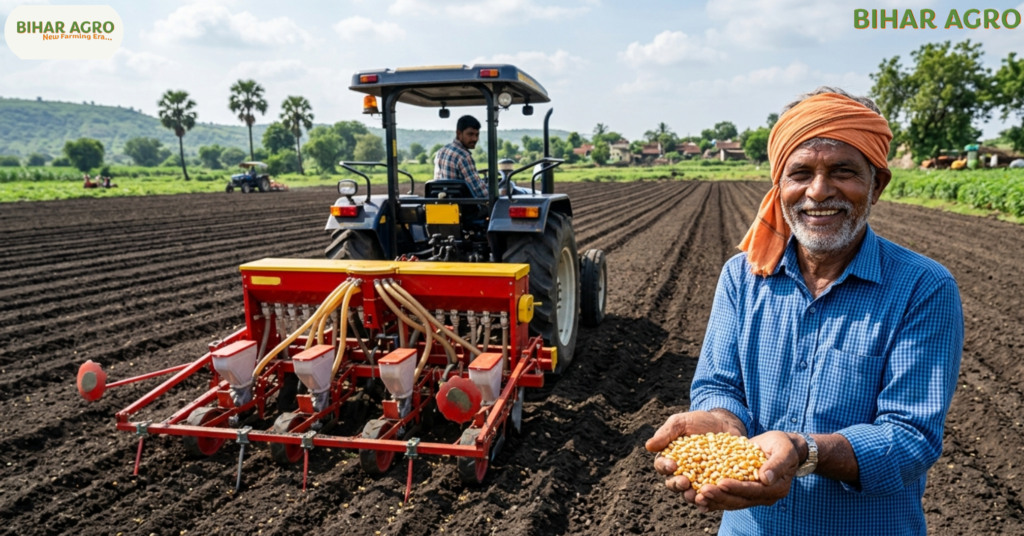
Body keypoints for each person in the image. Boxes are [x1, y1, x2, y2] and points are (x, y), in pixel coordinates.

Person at [646, 87, 964, 535]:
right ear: (780, 186)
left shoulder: (922, 288)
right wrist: (721, 422)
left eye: (843, 171)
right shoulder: (743, 276)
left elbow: (912, 436)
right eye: (800, 173)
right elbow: (719, 383)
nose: (818, 191)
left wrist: (803, 450)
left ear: (878, 184)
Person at [433, 115, 487, 198]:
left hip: (442, 204)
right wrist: (498, 192)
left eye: (477, 135)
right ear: (459, 133)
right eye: (470, 134)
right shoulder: (463, 157)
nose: (474, 139)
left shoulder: (441, 151)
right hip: (463, 208)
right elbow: (480, 192)